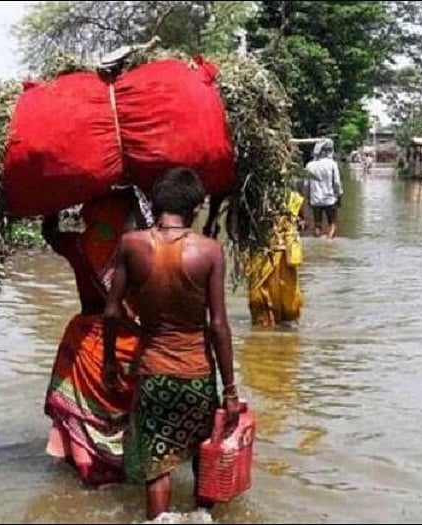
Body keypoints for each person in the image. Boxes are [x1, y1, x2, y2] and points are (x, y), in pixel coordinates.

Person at [102, 167, 240, 521]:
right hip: (197, 375)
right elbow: (218, 326)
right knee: (203, 458)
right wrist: (230, 390)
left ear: (154, 203)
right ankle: (202, 517)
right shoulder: (210, 251)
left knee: (157, 467)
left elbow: (112, 311)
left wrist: (109, 362)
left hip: (153, 375)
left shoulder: (132, 244)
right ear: (195, 208)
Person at [42, 188, 152, 487]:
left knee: (81, 415)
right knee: (129, 416)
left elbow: (49, 232)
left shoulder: (78, 245)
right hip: (131, 343)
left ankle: (86, 469)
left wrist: (53, 199)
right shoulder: (143, 252)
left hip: (87, 342)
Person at [245, 188, 304, 327]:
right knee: (259, 299)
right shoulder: (252, 197)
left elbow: (301, 222)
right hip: (261, 255)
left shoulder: (292, 198)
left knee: (288, 306)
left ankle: (279, 339)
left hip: (284, 256)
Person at [306, 139, 342, 238]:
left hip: (315, 200)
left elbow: (306, 185)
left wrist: (308, 198)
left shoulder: (310, 165)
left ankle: (317, 243)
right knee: (332, 224)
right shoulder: (332, 164)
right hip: (330, 199)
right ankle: (329, 244)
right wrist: (339, 197)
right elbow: (337, 183)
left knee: (317, 225)